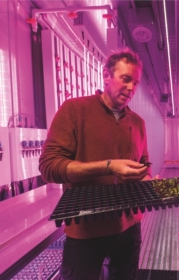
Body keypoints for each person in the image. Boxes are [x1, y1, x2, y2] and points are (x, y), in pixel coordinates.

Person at [39, 49, 151, 280]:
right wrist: (108, 166)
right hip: (86, 228)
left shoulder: (138, 123)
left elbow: (143, 165)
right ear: (107, 76)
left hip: (129, 226)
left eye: (136, 83)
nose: (131, 88)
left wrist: (148, 180)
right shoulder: (75, 110)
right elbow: (49, 166)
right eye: (126, 79)